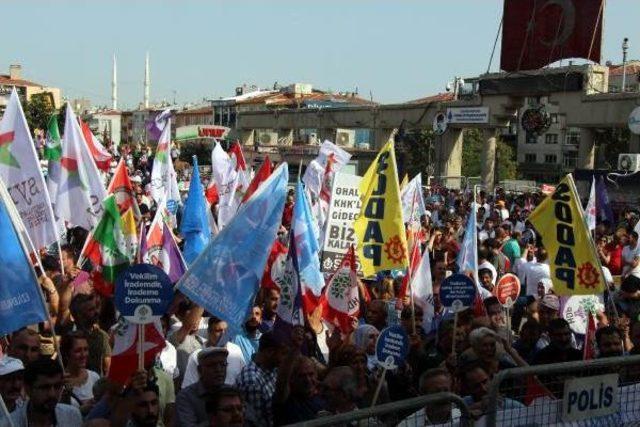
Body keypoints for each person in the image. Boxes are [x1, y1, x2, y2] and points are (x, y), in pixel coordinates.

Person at [9, 358, 82, 426]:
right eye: (44, 388)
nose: (52, 394)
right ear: (28, 389)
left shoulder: (72, 416)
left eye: (57, 387)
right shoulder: (9, 423)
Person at [235, 332, 285, 426]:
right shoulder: (252, 381)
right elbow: (257, 422)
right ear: (270, 352)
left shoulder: (273, 369)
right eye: (283, 353)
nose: (285, 358)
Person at [181, 317, 245, 388]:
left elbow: (243, 379)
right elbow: (188, 386)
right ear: (209, 332)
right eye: (218, 331)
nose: (223, 334)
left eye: (226, 331)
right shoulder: (196, 356)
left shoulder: (236, 350)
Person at [176, 347, 229, 427]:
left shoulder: (232, 393)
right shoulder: (186, 397)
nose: (218, 369)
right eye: (212, 365)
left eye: (223, 364)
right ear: (200, 370)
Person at [62, 293, 111, 376]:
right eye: (91, 310)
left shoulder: (102, 336)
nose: (96, 312)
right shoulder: (68, 336)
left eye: (96, 308)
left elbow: (107, 367)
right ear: (79, 314)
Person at [60, 331, 100, 414]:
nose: (83, 355)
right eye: (78, 351)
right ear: (67, 353)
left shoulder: (94, 377)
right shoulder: (60, 382)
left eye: (85, 349)